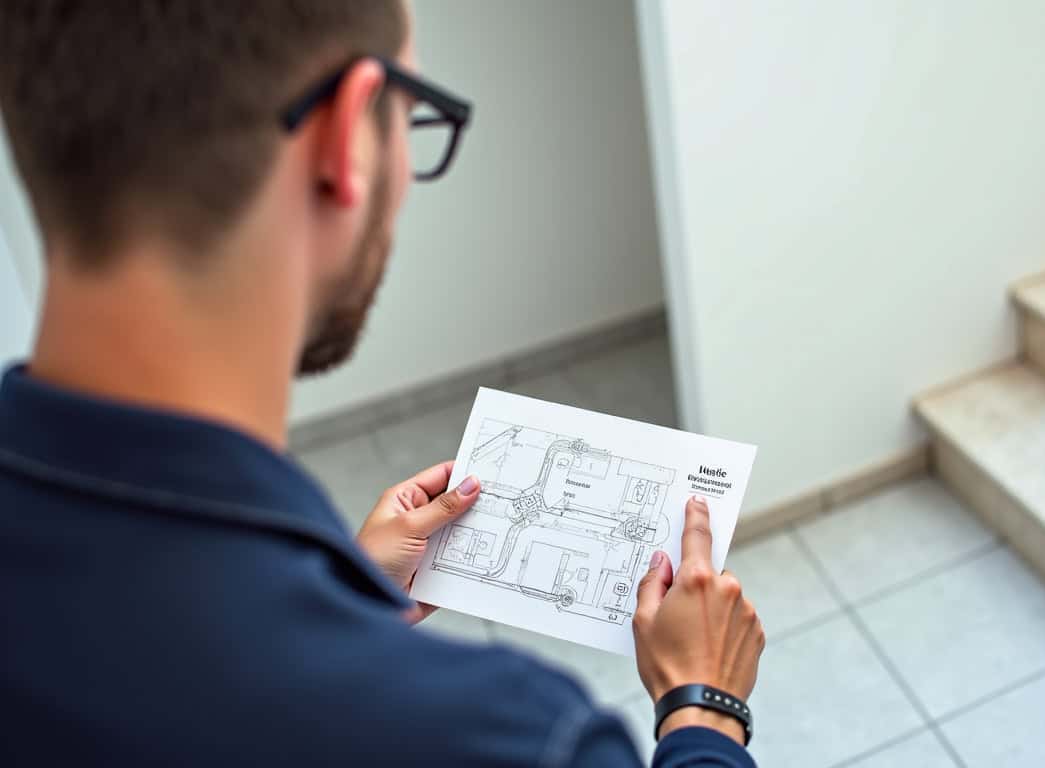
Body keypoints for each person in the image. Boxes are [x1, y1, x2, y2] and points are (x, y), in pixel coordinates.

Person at [0, 2, 765, 766]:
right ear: (346, 140)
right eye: (413, 116)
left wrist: (352, 598)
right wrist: (706, 710)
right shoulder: (512, 739)